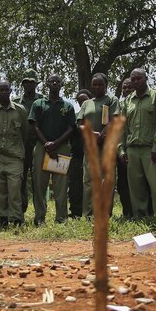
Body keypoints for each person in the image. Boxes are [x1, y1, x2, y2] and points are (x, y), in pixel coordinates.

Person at [118, 69, 156, 218]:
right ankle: (140, 217)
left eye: (138, 78)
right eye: (133, 79)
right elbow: (122, 128)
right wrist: (121, 150)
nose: (135, 82)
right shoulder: (128, 101)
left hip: (151, 150)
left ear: (146, 78)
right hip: (132, 150)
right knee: (136, 187)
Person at [28, 74, 77, 224]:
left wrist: (55, 143)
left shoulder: (67, 106)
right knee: (39, 185)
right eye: (52, 81)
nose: (54, 83)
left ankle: (61, 219)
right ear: (47, 84)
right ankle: (39, 218)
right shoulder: (38, 104)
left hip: (61, 148)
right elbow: (35, 126)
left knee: (61, 186)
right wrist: (47, 144)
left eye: (57, 81)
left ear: (61, 85)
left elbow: (71, 128)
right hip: (42, 148)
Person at [77, 74, 119, 216]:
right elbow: (79, 124)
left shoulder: (112, 100)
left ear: (106, 85)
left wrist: (101, 136)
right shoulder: (86, 104)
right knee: (89, 181)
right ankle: (88, 213)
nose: (97, 87)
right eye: (94, 84)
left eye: (100, 84)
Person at [0, 81, 27, 226]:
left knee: (15, 189)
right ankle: (2, 218)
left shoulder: (20, 110)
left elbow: (25, 132)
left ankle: (16, 218)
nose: (4, 92)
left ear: (11, 90)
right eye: (1, 90)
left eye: (6, 89)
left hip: (15, 155)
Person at [18, 70, 42, 215]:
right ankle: (20, 212)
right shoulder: (16, 102)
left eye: (31, 82)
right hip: (20, 146)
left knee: (38, 182)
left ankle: (39, 214)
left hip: (38, 146)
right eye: (26, 82)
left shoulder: (43, 101)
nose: (28, 84)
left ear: (36, 84)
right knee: (20, 181)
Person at [69, 89, 90, 218]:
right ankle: (75, 212)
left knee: (90, 184)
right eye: (79, 101)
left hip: (92, 156)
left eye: (85, 100)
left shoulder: (97, 118)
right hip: (76, 156)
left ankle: (89, 212)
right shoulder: (76, 118)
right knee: (75, 185)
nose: (82, 103)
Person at [116, 77, 135, 219]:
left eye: (129, 87)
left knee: (139, 184)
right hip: (122, 151)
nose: (127, 90)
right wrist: (121, 151)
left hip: (138, 149)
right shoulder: (120, 106)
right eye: (124, 88)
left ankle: (140, 213)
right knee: (123, 184)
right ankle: (127, 212)